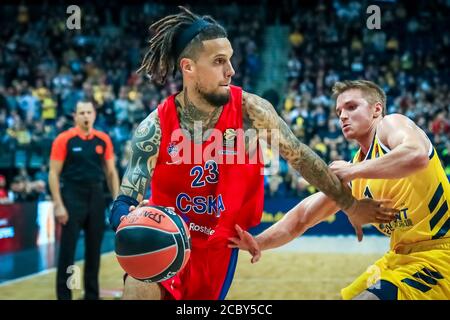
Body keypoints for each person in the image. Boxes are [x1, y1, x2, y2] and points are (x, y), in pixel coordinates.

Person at [109, 8, 394, 300]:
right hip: (163, 239)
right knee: (138, 289)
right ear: (188, 67)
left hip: (219, 247)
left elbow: (301, 158)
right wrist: (127, 219)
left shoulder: (251, 111)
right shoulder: (154, 127)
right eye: (219, 61)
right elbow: (124, 200)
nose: (231, 70)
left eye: (230, 59)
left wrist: (350, 204)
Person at [229, 80, 450, 300]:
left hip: (441, 254)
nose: (342, 115)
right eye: (339, 111)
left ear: (376, 110)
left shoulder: (390, 126)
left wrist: (353, 171)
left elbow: (417, 155)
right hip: (399, 258)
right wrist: (258, 242)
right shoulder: (357, 169)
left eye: (352, 107)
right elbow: (303, 217)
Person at [48, 101, 119, 300]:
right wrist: (58, 205)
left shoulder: (103, 139)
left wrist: (117, 200)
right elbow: (53, 174)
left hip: (96, 196)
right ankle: (65, 296)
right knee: (68, 251)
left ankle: (92, 295)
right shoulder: (64, 139)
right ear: (75, 116)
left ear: (94, 115)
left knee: (94, 249)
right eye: (82, 113)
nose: (86, 116)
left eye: (89, 112)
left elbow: (111, 173)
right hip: (71, 196)